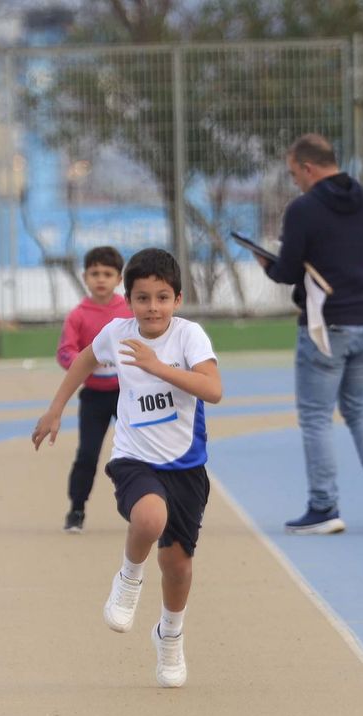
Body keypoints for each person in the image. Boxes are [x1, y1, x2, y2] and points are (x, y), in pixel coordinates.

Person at [32, 248, 223, 689]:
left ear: (177, 299)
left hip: (186, 466)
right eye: (142, 298)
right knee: (149, 517)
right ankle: (129, 577)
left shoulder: (189, 337)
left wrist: (159, 368)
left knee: (178, 567)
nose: (151, 307)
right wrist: (56, 409)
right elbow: (83, 359)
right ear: (128, 299)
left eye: (161, 298)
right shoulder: (117, 333)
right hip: (135, 456)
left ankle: (169, 636)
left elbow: (213, 390)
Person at [257, 133, 363, 534]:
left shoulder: (303, 209)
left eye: (293, 174)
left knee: (317, 416)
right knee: (359, 409)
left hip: (327, 323)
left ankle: (324, 506)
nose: (295, 182)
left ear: (307, 167)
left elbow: (287, 271)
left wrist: (265, 264)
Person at [56, 245, 132, 533]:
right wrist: (85, 363)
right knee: (87, 453)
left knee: (138, 453)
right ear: (85, 277)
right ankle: (76, 509)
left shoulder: (128, 311)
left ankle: (145, 506)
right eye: (95, 273)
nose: (101, 279)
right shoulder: (78, 315)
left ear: (119, 278)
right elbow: (65, 352)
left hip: (128, 395)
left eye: (107, 274)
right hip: (94, 398)